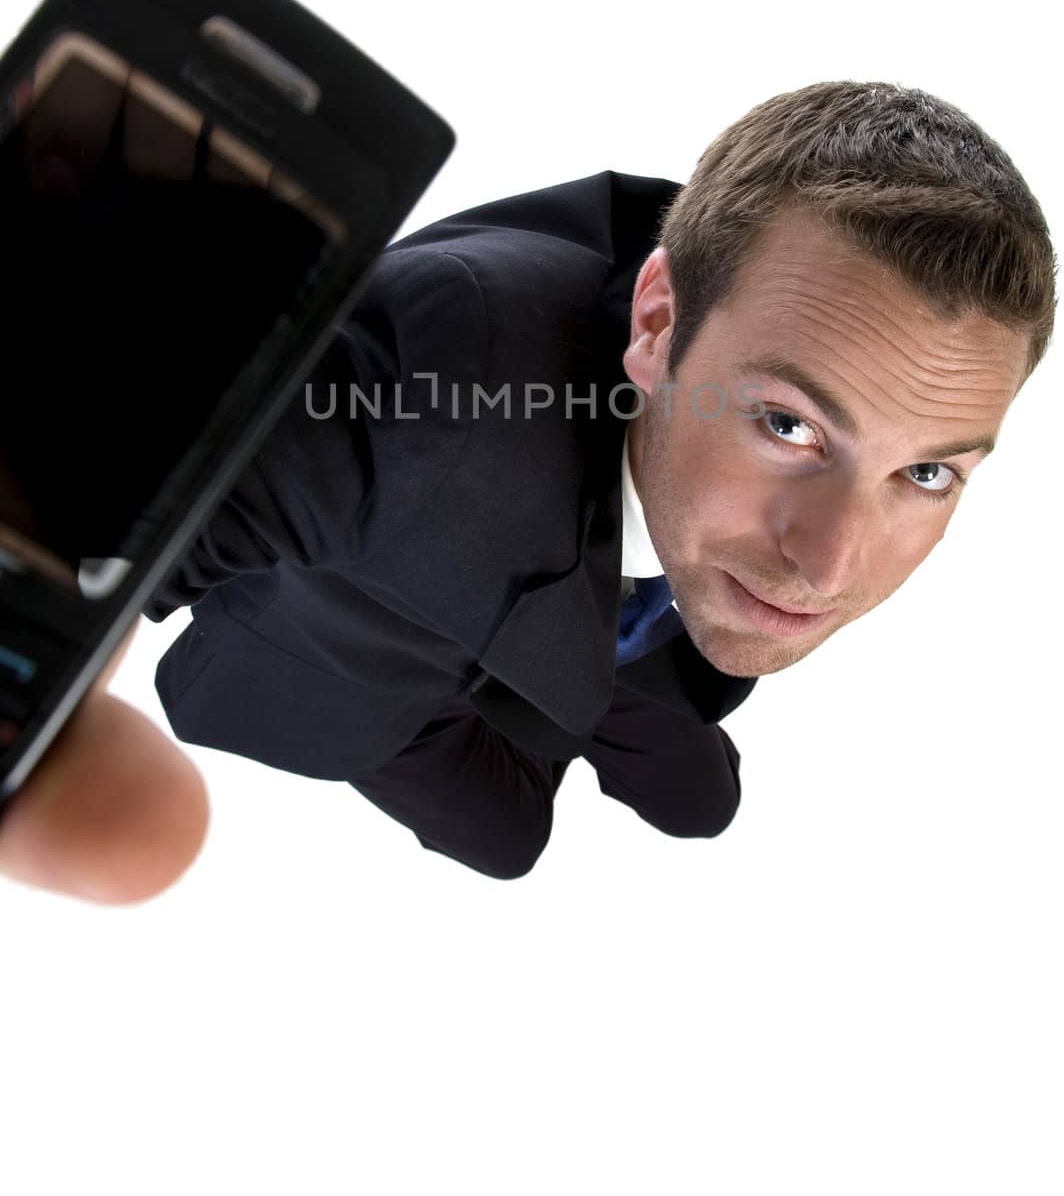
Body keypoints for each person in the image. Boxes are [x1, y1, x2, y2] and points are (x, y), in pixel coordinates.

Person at [1, 80, 1055, 902]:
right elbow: (127, 499)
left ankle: (606, 662)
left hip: (604, 586)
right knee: (508, 841)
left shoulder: (774, 298)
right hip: (369, 654)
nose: (831, 564)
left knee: (702, 803)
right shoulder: (431, 398)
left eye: (924, 472)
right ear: (655, 323)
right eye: (789, 425)